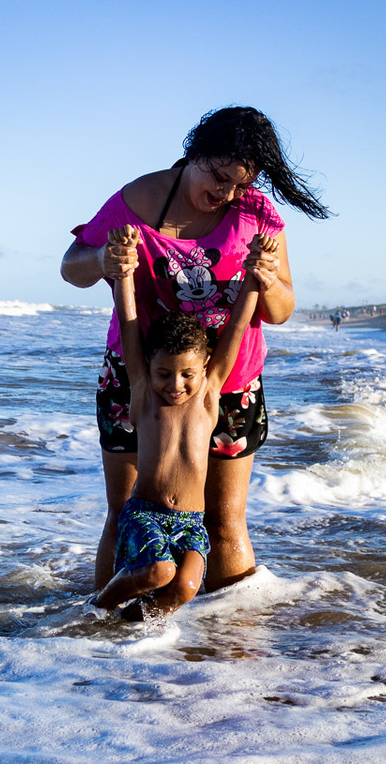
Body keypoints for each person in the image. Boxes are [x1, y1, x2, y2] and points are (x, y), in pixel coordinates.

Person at [60, 106, 331, 593]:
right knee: (124, 512)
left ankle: (224, 647)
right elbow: (71, 268)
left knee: (223, 521)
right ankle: (96, 642)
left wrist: (266, 282)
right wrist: (102, 258)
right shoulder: (136, 200)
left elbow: (282, 307)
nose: (226, 194)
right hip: (142, 372)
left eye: (239, 185)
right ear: (196, 152)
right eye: (220, 177)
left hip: (229, 379)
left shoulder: (257, 214)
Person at [92, 227, 271, 619]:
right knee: (159, 571)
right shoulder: (142, 393)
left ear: (204, 367)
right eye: (163, 374)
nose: (175, 385)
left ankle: (132, 626)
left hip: (191, 522)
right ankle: (97, 609)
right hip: (145, 514)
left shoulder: (208, 394)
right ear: (149, 370)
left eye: (186, 375)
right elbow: (129, 321)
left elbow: (237, 329)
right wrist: (124, 271)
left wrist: (255, 274)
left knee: (186, 585)